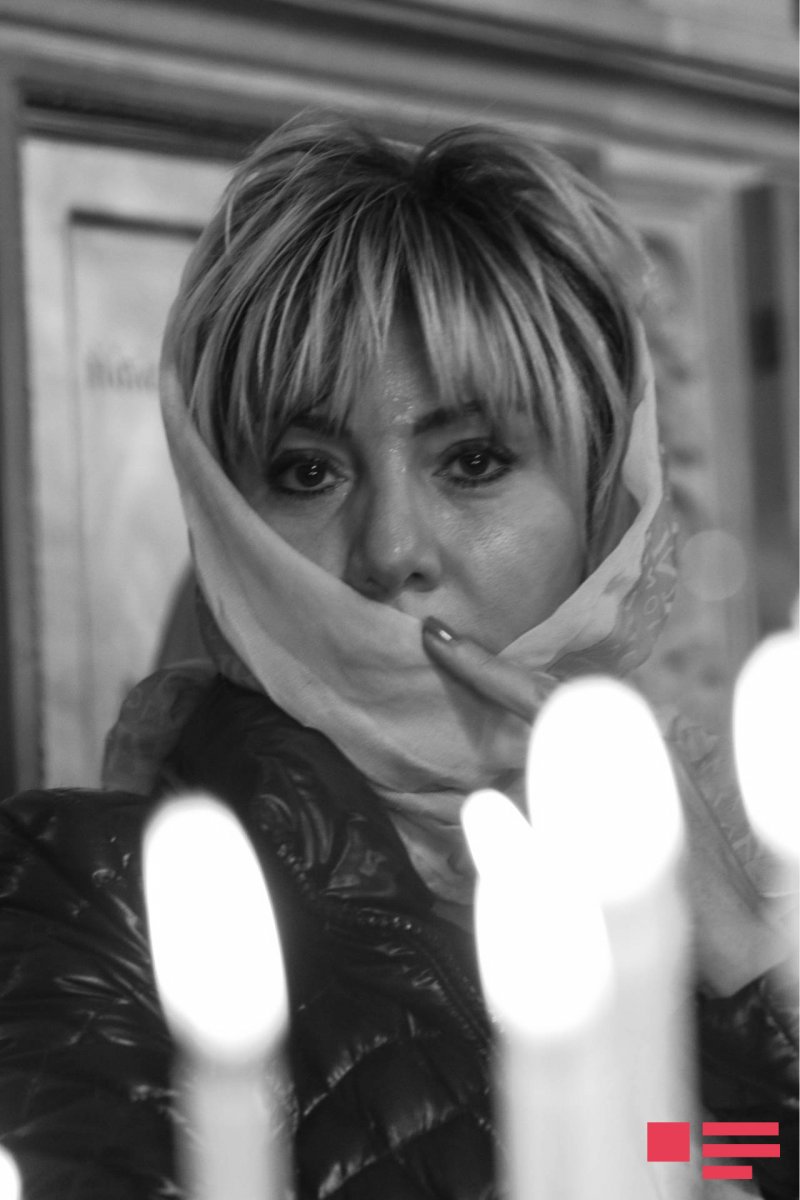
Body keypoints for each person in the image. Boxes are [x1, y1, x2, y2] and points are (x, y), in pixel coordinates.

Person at [0, 116, 796, 1200]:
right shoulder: (87, 897)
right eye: (307, 471)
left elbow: (703, 1154)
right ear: (226, 523)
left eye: (471, 461)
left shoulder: (722, 869)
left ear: (602, 505)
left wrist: (747, 969)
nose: (388, 550)